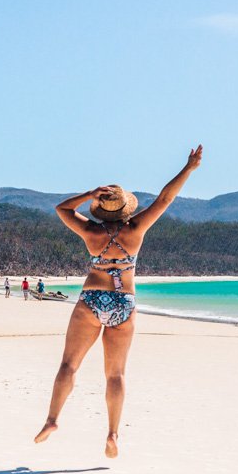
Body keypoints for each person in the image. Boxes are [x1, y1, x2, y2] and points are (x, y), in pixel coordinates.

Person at [35, 145, 203, 457]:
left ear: (100, 208)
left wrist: (89, 194)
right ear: (125, 208)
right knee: (115, 374)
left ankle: (52, 419)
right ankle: (112, 433)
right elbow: (165, 198)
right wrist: (189, 168)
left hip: (91, 300)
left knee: (69, 364)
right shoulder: (136, 229)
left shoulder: (89, 232)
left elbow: (62, 209)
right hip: (124, 304)